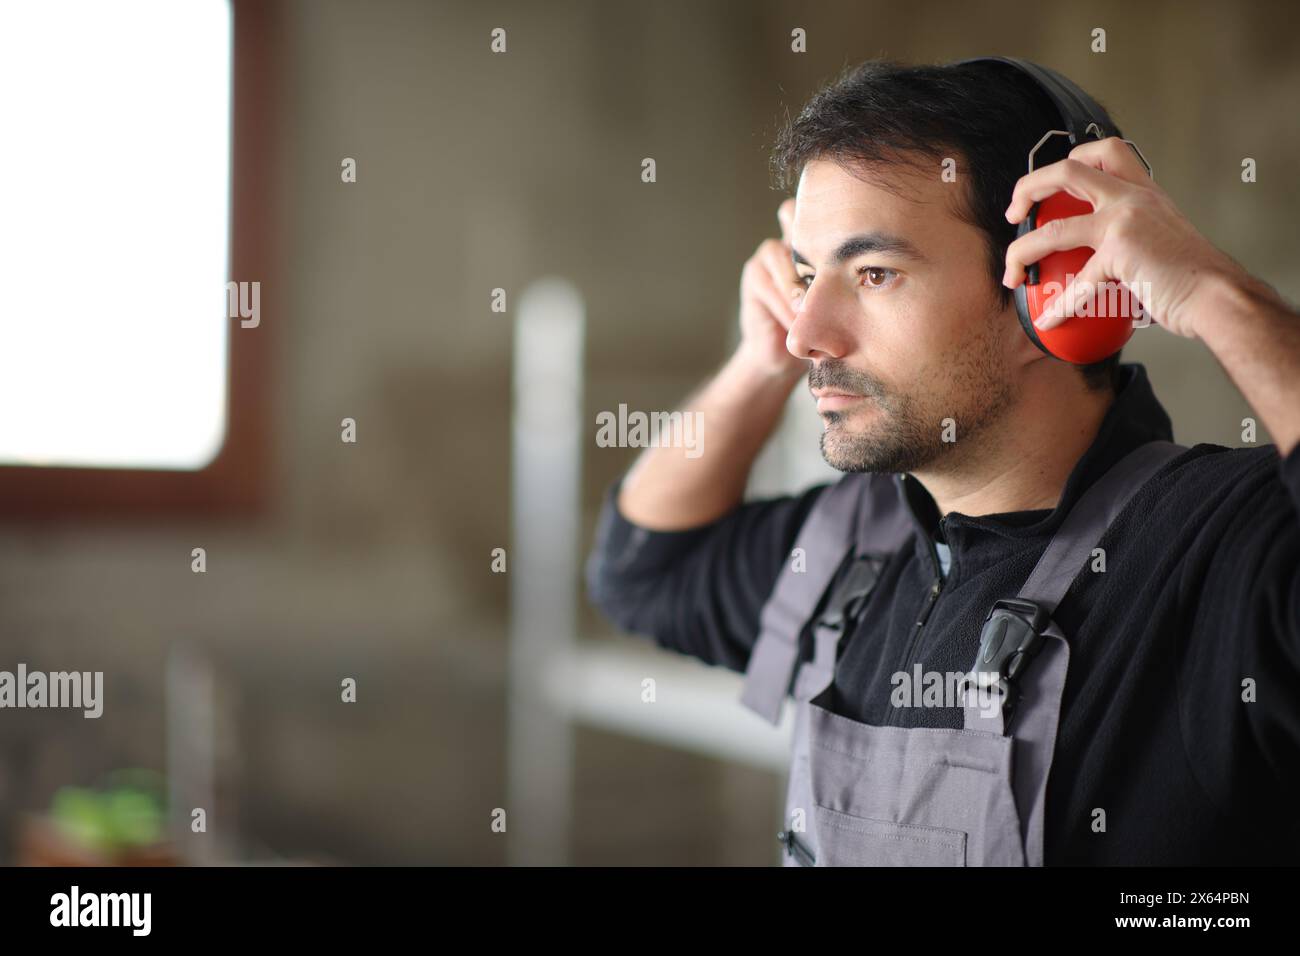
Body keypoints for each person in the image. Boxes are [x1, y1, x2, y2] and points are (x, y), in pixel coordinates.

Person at [585, 58, 1300, 865]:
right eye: (808, 277)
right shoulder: (845, 548)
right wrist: (757, 366)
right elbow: (643, 571)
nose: (804, 333)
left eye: (874, 274)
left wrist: (1212, 292)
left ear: (1049, 287)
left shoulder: (1220, 555)